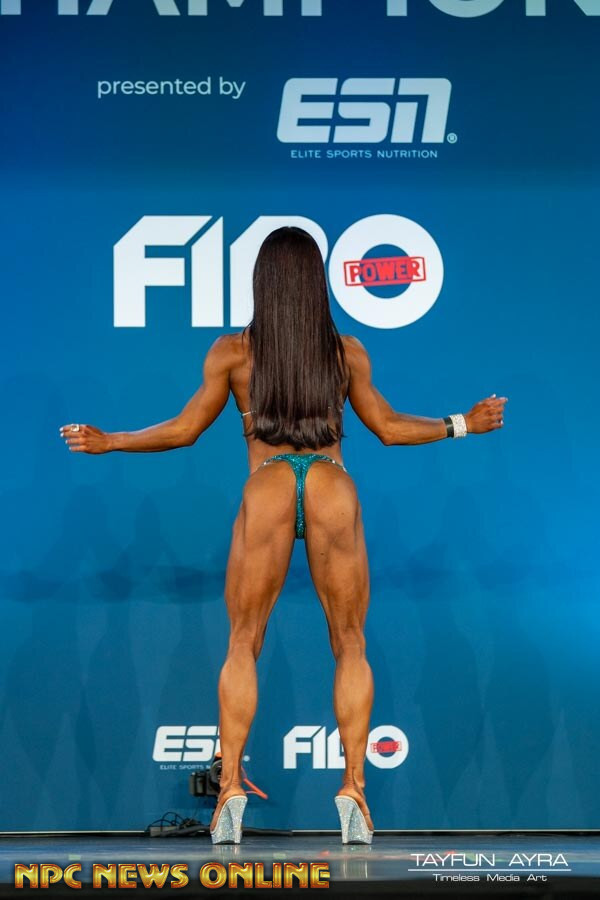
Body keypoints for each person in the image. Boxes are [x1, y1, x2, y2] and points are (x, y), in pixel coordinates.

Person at [59, 226, 507, 845]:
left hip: (267, 483)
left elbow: (185, 430)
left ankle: (230, 789)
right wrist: (462, 423)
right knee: (350, 641)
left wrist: (111, 441)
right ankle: (354, 789)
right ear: (317, 282)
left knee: (243, 640)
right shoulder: (346, 352)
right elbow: (387, 427)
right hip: (330, 483)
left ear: (261, 282)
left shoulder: (232, 352)